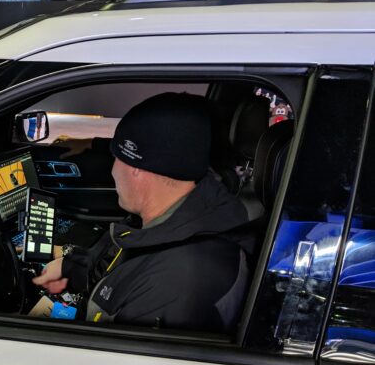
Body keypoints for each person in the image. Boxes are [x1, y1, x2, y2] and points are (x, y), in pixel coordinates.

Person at [32, 92, 255, 332]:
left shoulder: (177, 286)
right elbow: (125, 261)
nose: (113, 171)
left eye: (116, 158)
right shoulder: (174, 219)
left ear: (137, 168)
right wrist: (72, 269)